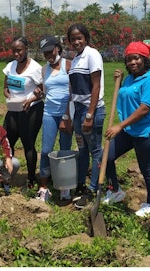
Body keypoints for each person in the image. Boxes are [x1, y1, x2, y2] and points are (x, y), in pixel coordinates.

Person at [103, 41, 150, 218]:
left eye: (136, 58)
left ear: (144, 59)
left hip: (144, 132)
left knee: (147, 169)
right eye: (129, 59)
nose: (132, 62)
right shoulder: (130, 78)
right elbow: (127, 96)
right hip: (128, 131)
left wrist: (120, 126)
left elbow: (144, 108)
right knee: (105, 157)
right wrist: (118, 83)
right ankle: (115, 191)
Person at [66, 23, 105, 209]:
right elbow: (73, 89)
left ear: (86, 38)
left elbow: (96, 86)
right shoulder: (75, 59)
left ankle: (93, 189)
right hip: (79, 109)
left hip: (92, 110)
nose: (76, 42)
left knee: (95, 150)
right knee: (82, 149)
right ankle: (81, 185)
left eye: (79, 38)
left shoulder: (92, 54)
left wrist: (90, 115)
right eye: (73, 39)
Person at [2, 36, 44, 191]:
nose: (16, 53)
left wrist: (31, 99)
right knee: (7, 142)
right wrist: (10, 97)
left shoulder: (35, 68)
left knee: (28, 144)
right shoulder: (10, 67)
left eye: (19, 50)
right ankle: (7, 176)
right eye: (13, 51)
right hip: (14, 109)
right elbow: (6, 88)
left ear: (26, 49)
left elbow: (42, 90)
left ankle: (31, 179)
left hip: (31, 109)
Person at [35, 34, 73, 203]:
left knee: (65, 150)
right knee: (45, 150)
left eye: (50, 51)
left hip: (66, 113)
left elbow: (72, 93)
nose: (48, 55)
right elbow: (45, 91)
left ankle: (65, 187)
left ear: (58, 48)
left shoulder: (68, 65)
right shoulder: (45, 69)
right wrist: (39, 93)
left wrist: (66, 116)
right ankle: (43, 187)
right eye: (45, 53)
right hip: (49, 113)